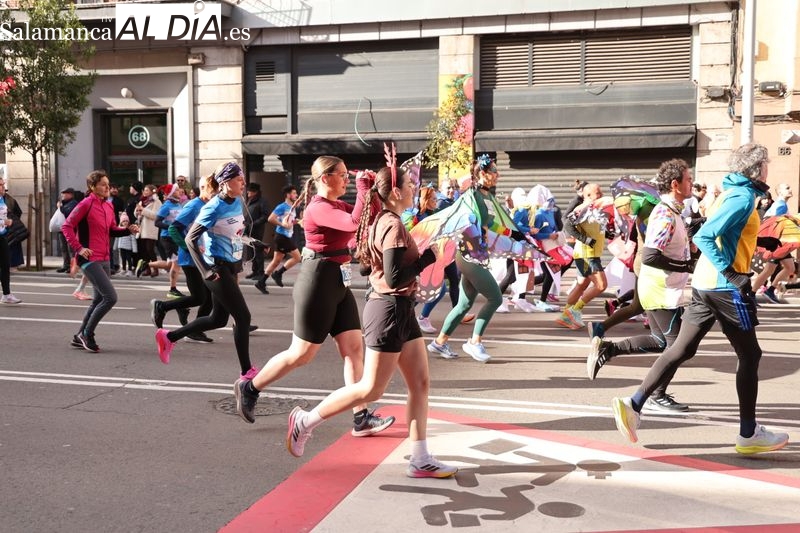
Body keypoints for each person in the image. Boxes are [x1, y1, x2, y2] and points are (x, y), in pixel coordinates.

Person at [280, 164, 457, 478]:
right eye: (410, 184)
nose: (415, 188)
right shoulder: (391, 224)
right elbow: (394, 276)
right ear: (396, 192)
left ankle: (420, 458)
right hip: (388, 310)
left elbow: (367, 267)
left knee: (420, 383)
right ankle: (305, 421)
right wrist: (429, 258)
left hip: (401, 308)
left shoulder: (385, 221)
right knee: (370, 389)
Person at [611, 143, 789, 455]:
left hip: (706, 284)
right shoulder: (742, 196)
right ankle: (749, 434)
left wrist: (763, 240)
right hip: (722, 286)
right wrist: (733, 275)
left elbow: (726, 233)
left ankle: (633, 403)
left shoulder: (732, 192)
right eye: (766, 165)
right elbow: (705, 236)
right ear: (757, 169)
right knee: (750, 355)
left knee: (682, 348)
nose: (767, 170)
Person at [233, 155, 395, 437]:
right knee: (301, 354)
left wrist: (373, 189)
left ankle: (361, 417)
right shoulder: (317, 208)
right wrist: (362, 189)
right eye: (342, 175)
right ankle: (251, 387)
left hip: (339, 280)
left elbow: (371, 217)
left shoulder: (336, 204)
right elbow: (354, 223)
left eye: (348, 175)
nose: (346, 179)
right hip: (318, 281)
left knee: (353, 350)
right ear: (325, 178)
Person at [587, 159, 696, 412]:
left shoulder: (673, 211)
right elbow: (650, 256)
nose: (692, 183)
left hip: (660, 287)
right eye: (688, 179)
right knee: (679, 347)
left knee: (661, 341)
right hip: (660, 290)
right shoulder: (665, 213)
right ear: (675, 184)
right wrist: (685, 267)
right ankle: (656, 395)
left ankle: (608, 348)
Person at [154, 162, 257, 376]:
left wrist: (254, 242)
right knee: (243, 318)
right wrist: (206, 271)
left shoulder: (237, 202)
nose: (244, 183)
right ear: (225, 182)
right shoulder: (213, 206)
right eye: (239, 179)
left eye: (243, 179)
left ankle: (169, 337)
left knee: (217, 319)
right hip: (216, 268)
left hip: (230, 267)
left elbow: (234, 233)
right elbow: (190, 239)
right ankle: (247, 372)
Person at [427, 155, 504, 363]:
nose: (498, 175)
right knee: (496, 298)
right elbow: (464, 217)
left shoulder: (486, 196)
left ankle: (439, 342)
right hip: (470, 255)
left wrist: (514, 234)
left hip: (475, 254)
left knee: (463, 305)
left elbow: (490, 223)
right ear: (482, 173)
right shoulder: (471, 195)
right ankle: (474, 342)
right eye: (494, 171)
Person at [61, 170, 140, 352]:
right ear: (92, 186)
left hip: (105, 258)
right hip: (89, 258)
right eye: (103, 184)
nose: (107, 187)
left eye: (108, 184)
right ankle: (87, 334)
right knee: (110, 298)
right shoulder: (85, 204)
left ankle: (78, 336)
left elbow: (111, 230)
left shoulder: (108, 206)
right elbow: (67, 226)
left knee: (98, 299)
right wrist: (79, 248)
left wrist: (127, 230)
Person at [150, 175, 218, 343]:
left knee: (209, 297)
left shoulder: (210, 205)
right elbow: (173, 229)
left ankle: (195, 329)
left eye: (218, 190)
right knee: (199, 298)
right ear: (203, 188)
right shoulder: (193, 206)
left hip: (203, 257)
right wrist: (189, 247)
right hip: (190, 258)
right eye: (213, 189)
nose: (216, 193)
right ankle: (162, 306)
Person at [556, 183, 608, 329]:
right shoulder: (582, 208)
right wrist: (585, 239)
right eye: (598, 192)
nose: (601, 194)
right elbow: (567, 224)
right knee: (601, 285)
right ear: (588, 195)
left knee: (581, 285)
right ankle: (575, 310)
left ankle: (565, 315)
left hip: (588, 254)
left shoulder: (594, 208)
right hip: (587, 255)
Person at [256, 184, 301, 293]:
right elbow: (270, 218)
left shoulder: (292, 208)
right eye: (294, 193)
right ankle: (278, 274)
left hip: (284, 236)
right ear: (288, 195)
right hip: (282, 236)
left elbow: (289, 221)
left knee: (276, 261)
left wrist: (297, 221)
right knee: (297, 257)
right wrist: (282, 225)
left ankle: (261, 282)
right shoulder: (282, 207)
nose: (296, 195)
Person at [148, 184, 184, 298]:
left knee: (169, 265)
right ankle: (172, 289)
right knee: (176, 262)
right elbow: (157, 222)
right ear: (171, 193)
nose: (179, 191)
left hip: (176, 237)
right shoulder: (166, 206)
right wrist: (171, 228)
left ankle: (146, 264)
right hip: (168, 238)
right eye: (176, 190)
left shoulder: (178, 204)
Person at [0, 176, 22, 304]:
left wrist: (6, 222)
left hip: (2, 235)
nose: (3, 187)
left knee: (5, 265)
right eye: (0, 185)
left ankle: (6, 294)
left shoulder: (3, 199)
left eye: (3, 184)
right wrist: (4, 222)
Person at [243, 182, 270, 280]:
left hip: (257, 230)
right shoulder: (250, 201)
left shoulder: (262, 201)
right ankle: (254, 271)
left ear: (255, 192)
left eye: (249, 191)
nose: (247, 193)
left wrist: (254, 224)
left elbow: (265, 216)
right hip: (248, 230)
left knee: (258, 251)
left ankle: (260, 272)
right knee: (252, 251)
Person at [134, 184, 162, 278]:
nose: (144, 192)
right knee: (144, 251)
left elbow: (155, 216)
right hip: (142, 228)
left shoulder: (156, 201)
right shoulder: (142, 201)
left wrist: (143, 210)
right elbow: (136, 213)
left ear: (152, 191)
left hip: (150, 228)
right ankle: (147, 269)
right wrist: (137, 211)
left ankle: (155, 269)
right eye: (144, 190)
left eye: (147, 190)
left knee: (150, 249)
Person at [56, 187, 79, 273]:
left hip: (70, 229)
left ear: (70, 194)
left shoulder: (74, 203)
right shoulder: (63, 203)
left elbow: (68, 213)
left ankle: (73, 267)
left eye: (65, 193)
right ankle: (66, 265)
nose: (63, 195)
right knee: (63, 248)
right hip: (62, 229)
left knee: (71, 249)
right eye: (62, 193)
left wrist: (60, 208)